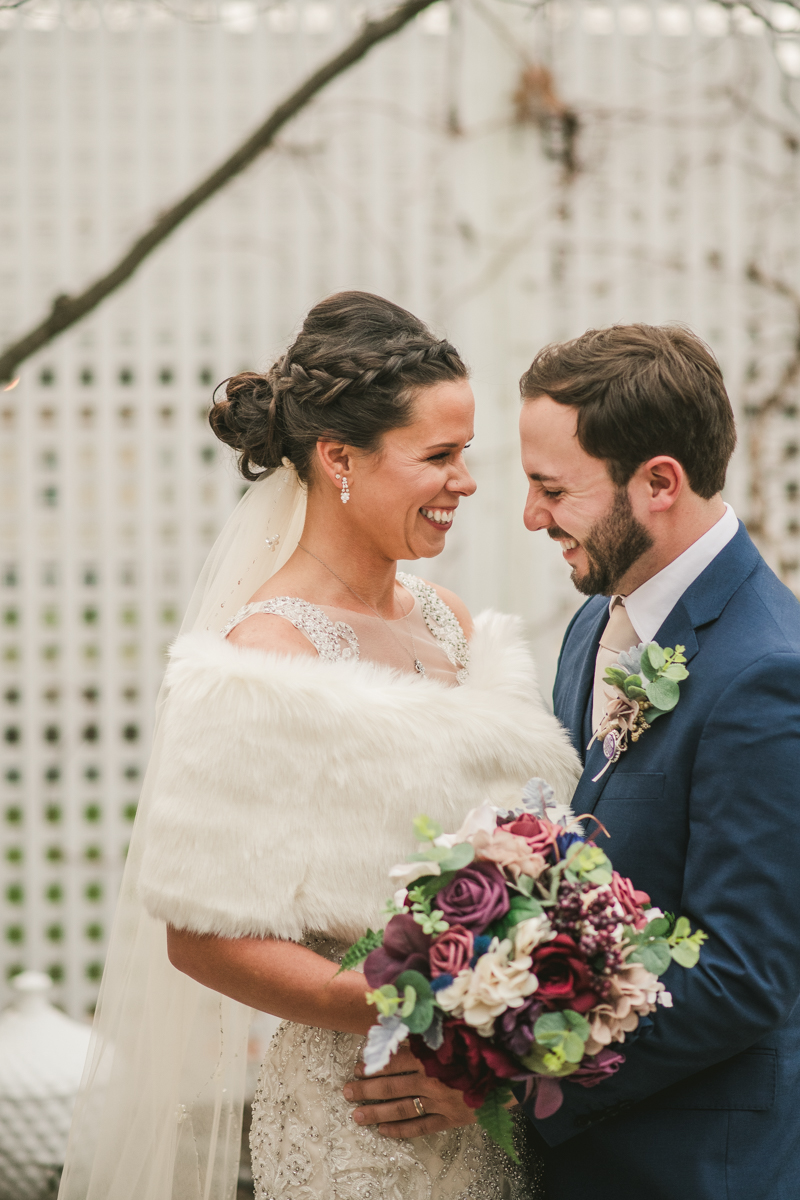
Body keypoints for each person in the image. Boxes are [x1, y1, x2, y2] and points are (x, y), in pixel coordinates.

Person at [58, 291, 581, 1200]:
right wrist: (408, 1002)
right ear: (339, 458)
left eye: (468, 455)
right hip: (366, 1114)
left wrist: (497, 1024)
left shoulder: (451, 624)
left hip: (484, 1105)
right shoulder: (261, 659)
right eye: (439, 457)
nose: (466, 482)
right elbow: (201, 936)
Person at [348, 322, 800, 1200]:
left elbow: (745, 977)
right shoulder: (597, 622)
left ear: (659, 482)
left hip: (698, 1171)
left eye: (553, 488)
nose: (529, 515)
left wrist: (502, 1074)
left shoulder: (768, 675)